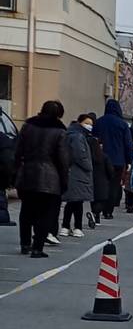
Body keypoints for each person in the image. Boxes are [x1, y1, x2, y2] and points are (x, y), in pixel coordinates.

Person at [14, 99, 69, 257]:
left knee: (26, 211)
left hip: (27, 174)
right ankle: (38, 247)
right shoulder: (59, 131)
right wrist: (64, 180)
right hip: (50, 178)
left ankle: (25, 244)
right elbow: (63, 159)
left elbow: (18, 151)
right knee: (45, 214)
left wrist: (16, 171)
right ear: (59, 114)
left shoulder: (28, 126)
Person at [93, 97, 132, 222]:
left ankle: (98, 208)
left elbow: (94, 140)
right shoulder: (122, 124)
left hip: (100, 159)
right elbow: (128, 144)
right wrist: (129, 160)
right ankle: (108, 211)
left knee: (100, 184)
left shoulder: (99, 122)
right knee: (114, 185)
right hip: (118, 160)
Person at [62, 113, 95, 238]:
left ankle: (66, 227)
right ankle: (76, 227)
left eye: (91, 124)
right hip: (78, 173)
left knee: (72, 201)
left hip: (71, 171)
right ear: (79, 122)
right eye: (87, 123)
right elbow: (80, 155)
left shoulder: (70, 134)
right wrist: (89, 166)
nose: (89, 126)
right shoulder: (78, 136)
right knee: (77, 202)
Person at [82, 114, 108, 229]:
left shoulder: (88, 155)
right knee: (101, 200)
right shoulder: (104, 157)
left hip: (91, 179)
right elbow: (110, 169)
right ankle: (97, 215)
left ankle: (93, 212)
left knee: (93, 200)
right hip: (102, 182)